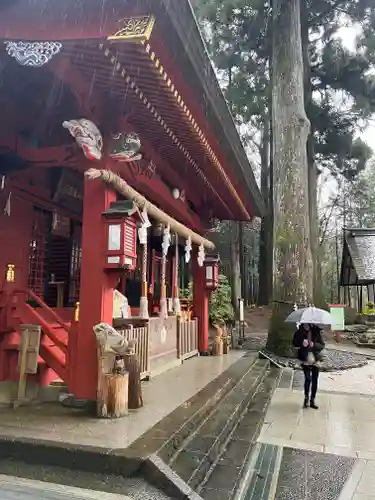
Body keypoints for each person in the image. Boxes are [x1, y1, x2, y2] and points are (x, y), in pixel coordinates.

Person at [293, 323, 325, 409]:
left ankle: (312, 400)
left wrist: (314, 344)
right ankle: (306, 398)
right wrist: (301, 343)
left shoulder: (316, 331)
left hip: (315, 358)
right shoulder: (299, 332)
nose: (306, 325)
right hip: (305, 358)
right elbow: (294, 343)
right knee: (308, 379)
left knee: (315, 380)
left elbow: (322, 345)